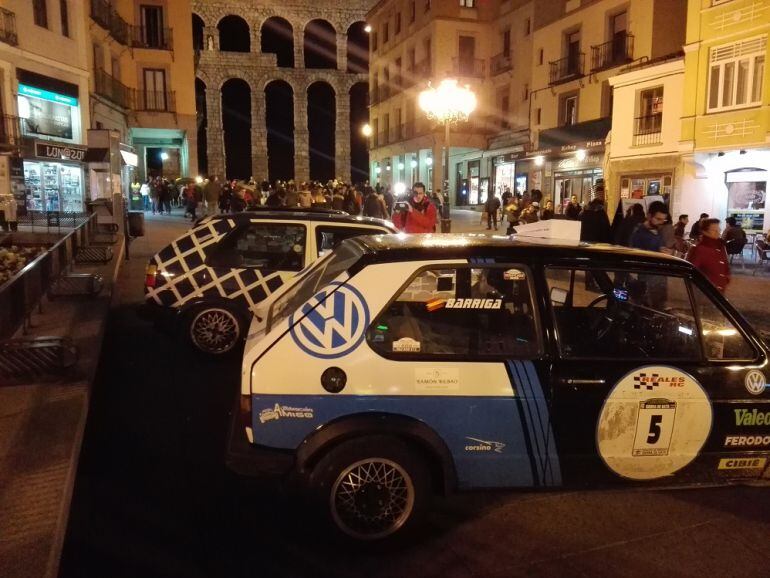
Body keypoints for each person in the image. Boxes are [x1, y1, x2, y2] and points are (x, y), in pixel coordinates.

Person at [687, 218, 730, 292]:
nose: (718, 231)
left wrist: (726, 276)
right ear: (705, 232)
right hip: (705, 291)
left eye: (718, 228)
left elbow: (725, 265)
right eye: (714, 230)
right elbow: (692, 271)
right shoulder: (699, 249)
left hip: (719, 290)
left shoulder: (720, 246)